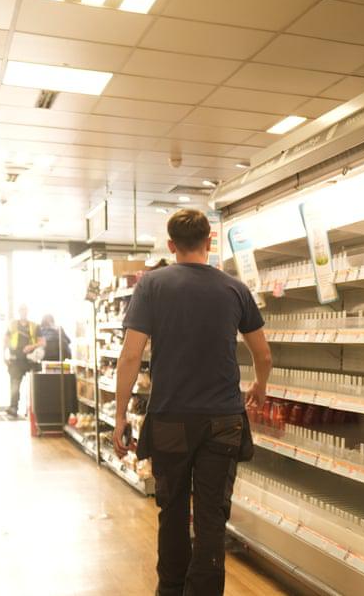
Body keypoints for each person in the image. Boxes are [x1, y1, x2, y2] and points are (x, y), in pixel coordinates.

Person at [113, 208, 272, 596]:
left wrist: (120, 416)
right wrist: (260, 386)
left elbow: (131, 355)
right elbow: (263, 354)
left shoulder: (152, 285)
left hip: (170, 419)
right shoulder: (235, 288)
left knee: (171, 512)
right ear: (210, 243)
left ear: (171, 245)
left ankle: (170, 590)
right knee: (211, 516)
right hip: (223, 418)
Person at [3, 305, 41, 418]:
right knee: (15, 385)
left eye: (25, 310)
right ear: (19, 312)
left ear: (28, 311)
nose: (23, 312)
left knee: (33, 386)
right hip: (15, 359)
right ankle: (13, 407)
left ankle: (31, 409)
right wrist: (3, 355)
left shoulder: (34, 326)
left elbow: (41, 342)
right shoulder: (12, 325)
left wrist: (31, 346)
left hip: (31, 360)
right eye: (21, 310)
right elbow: (5, 340)